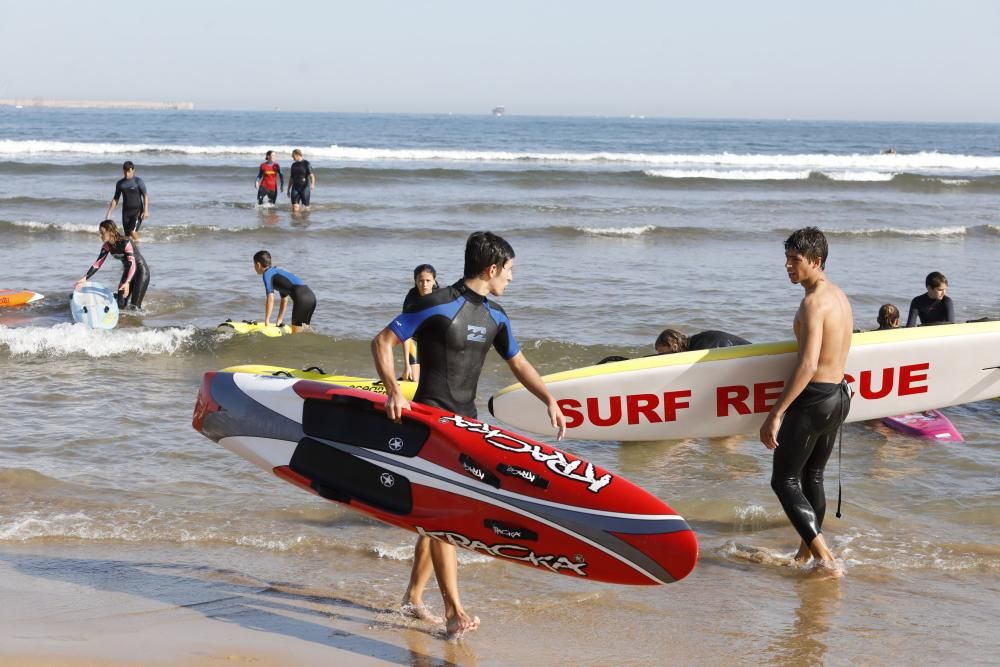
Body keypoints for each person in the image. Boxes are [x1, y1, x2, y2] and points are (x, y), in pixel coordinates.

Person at [371, 231, 566, 637]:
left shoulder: (496, 317)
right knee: (445, 517)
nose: (512, 278)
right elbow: (383, 342)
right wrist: (393, 390)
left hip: (468, 427)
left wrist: (549, 399)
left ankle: (412, 597)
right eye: (509, 270)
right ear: (491, 268)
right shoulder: (435, 303)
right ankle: (454, 610)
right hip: (428, 424)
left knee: (435, 519)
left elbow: (519, 362)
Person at [759, 226, 853, 577]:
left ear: (816, 261)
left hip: (815, 399)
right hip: (839, 396)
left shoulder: (813, 303)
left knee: (783, 481)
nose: (787, 266)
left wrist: (776, 412)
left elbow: (808, 363)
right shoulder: (840, 297)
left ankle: (825, 558)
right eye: (786, 258)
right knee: (813, 475)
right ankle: (805, 552)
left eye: (794, 260)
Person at [75, 220, 150, 309]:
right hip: (128, 271)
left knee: (135, 307)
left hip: (140, 271)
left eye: (102, 233)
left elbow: (132, 264)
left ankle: (137, 320)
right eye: (100, 233)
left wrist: (127, 283)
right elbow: (97, 264)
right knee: (120, 305)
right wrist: (85, 278)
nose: (100, 235)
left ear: (111, 232)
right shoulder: (106, 246)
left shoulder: (125, 242)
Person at [252, 250, 316, 333]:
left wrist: (267, 321)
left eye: (254, 264)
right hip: (311, 297)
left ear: (258, 265)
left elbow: (270, 298)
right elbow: (284, 299)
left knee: (296, 335)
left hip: (301, 299)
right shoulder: (278, 272)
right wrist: (279, 320)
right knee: (305, 331)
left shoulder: (267, 273)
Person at [401, 264, 439, 383]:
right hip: (415, 338)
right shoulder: (412, 299)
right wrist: (406, 365)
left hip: (434, 339)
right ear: (415, 281)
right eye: (420, 281)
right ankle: (404, 379)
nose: (424, 285)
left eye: (428, 280)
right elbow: (405, 332)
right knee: (414, 380)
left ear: (434, 281)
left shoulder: (441, 297)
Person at [104, 161, 149, 242]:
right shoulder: (120, 183)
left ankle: (139, 245)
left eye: (129, 171)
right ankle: (132, 251)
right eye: (125, 172)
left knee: (132, 231)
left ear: (133, 170)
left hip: (137, 211)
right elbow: (115, 199)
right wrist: (109, 213)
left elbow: (145, 196)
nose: (127, 174)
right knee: (127, 236)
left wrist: (145, 211)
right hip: (126, 213)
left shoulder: (138, 181)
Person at [653, 328, 751, 354]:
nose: (660, 357)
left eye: (662, 353)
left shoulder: (701, 348)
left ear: (674, 346)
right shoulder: (696, 342)